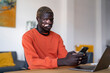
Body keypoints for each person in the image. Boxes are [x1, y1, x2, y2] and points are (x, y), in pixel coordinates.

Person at [22, 6, 88, 69]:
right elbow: (33, 63)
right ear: (38, 19)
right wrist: (63, 61)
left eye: (51, 19)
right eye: (45, 19)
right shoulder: (28, 36)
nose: (49, 22)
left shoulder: (57, 37)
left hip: (55, 70)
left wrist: (77, 59)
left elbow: (64, 58)